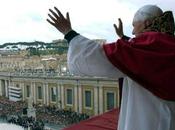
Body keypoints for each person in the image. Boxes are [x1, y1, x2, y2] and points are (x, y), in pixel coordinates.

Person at [47, 4, 175, 130]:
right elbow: (138, 53)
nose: (133, 32)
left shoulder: (144, 47)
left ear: (147, 23)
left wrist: (69, 33)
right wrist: (123, 37)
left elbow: (96, 57)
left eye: (134, 26)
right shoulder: (167, 44)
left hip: (151, 121)